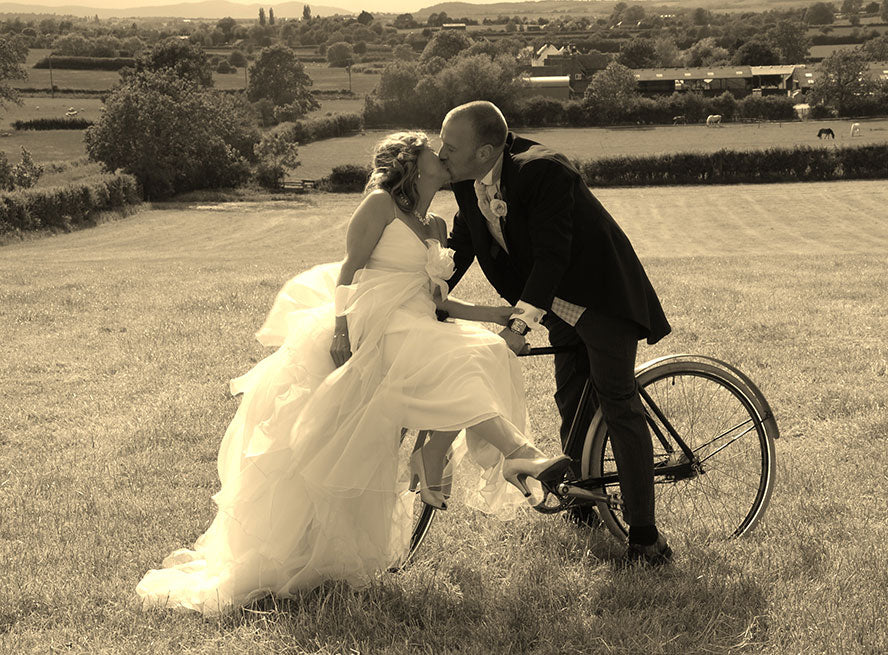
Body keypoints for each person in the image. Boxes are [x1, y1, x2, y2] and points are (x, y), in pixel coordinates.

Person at [135, 132, 570, 615]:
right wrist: (340, 329)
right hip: (372, 325)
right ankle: (513, 454)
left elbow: (439, 303)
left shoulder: (438, 225)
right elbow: (348, 271)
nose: (443, 155)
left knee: (486, 353)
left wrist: (500, 315)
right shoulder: (380, 205)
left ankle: (449, 452)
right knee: (451, 367)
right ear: (413, 163)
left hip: (417, 323)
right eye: (433, 150)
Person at [438, 101, 673, 566]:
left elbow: (552, 257)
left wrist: (520, 324)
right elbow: (462, 246)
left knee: (617, 403)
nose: (440, 153)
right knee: (571, 404)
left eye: (449, 146)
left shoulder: (544, 171)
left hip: (601, 298)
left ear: (485, 152)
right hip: (559, 307)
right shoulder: (469, 182)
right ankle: (581, 506)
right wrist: (429, 294)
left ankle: (646, 538)